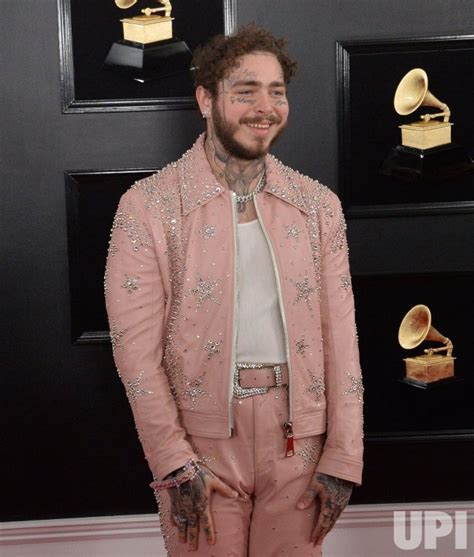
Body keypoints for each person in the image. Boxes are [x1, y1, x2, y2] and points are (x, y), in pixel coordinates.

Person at [105, 24, 363, 557]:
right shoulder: (147, 207)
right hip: (199, 444)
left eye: (276, 92)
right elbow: (135, 355)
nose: (264, 107)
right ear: (206, 99)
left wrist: (343, 457)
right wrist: (174, 463)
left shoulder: (318, 207)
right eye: (246, 91)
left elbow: (343, 341)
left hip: (301, 442)